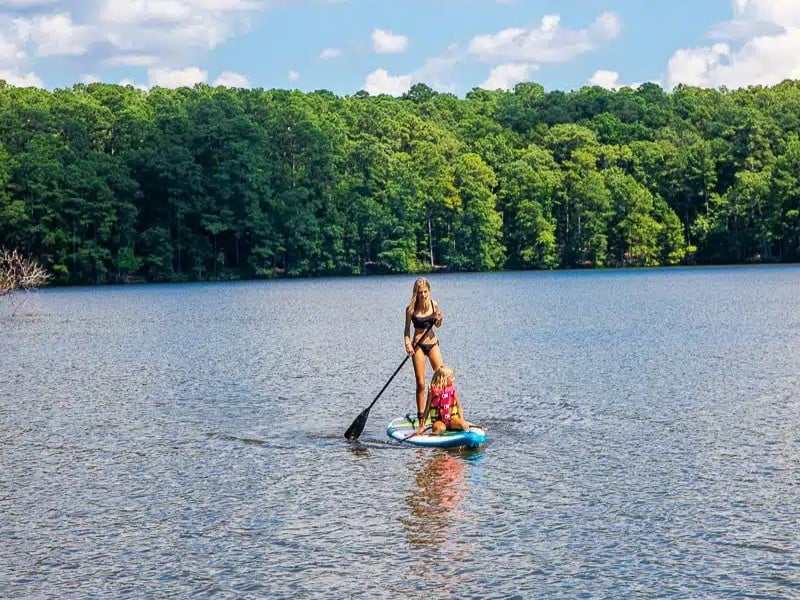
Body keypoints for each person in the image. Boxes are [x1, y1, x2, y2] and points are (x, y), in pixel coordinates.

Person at [404, 277, 443, 423]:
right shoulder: (410, 310)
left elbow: (438, 325)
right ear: (416, 293)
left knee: (441, 378)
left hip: (432, 343)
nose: (423, 295)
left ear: (429, 291)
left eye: (425, 292)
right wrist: (407, 344)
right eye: (420, 292)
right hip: (417, 346)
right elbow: (406, 332)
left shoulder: (434, 305)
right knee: (421, 383)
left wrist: (439, 319)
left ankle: (441, 414)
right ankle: (421, 418)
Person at [414, 365, 472, 436]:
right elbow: (427, 408)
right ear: (444, 379)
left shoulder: (452, 389)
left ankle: (465, 433)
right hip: (439, 421)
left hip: (451, 420)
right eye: (451, 377)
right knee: (439, 429)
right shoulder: (432, 390)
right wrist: (422, 425)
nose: (453, 379)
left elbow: (458, 406)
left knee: (463, 425)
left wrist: (462, 420)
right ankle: (435, 436)